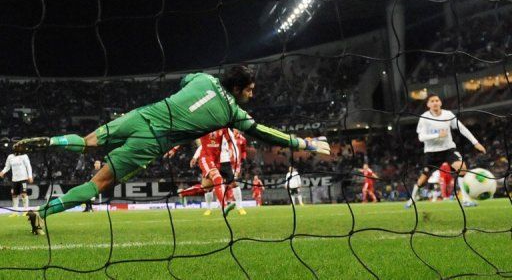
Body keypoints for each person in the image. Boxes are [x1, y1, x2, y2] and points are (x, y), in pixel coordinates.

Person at [14, 66, 329, 234]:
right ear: (237, 88)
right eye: (249, 89)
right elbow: (266, 133)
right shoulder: (235, 113)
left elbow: (187, 85)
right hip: (151, 141)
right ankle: (41, 213)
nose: (251, 93)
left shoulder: (203, 78)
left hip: (142, 115)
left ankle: (52, 141)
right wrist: (306, 143)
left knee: (87, 142)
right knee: (98, 184)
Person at [405, 93, 486, 209]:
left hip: (448, 149)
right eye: (432, 101)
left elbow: (462, 128)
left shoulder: (448, 114)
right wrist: (438, 135)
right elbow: (421, 137)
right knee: (423, 179)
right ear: (428, 104)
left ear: (440, 102)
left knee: (462, 168)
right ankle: (412, 199)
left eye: (437, 100)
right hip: (431, 152)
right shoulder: (424, 118)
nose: (435, 103)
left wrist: (475, 143)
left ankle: (466, 199)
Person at [0, 152, 33, 217]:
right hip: (15, 179)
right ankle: (15, 212)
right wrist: (2, 172)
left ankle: (26, 211)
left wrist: (30, 176)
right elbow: (7, 167)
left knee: (24, 194)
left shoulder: (24, 156)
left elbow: (28, 166)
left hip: (23, 178)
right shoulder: (10, 157)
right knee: (14, 195)